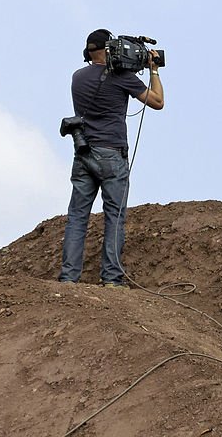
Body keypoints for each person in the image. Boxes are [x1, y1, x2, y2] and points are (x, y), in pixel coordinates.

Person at [58, 29, 164, 288]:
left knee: (77, 216)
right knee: (114, 216)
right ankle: (112, 279)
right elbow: (158, 102)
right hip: (112, 153)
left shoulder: (77, 77)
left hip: (83, 153)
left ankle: (68, 278)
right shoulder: (122, 78)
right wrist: (154, 69)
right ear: (109, 49)